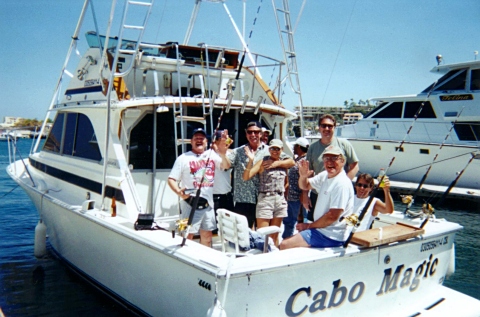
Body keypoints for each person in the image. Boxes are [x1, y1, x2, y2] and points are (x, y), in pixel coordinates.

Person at [280, 145, 354, 250]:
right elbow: (304, 185)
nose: (330, 162)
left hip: (330, 235)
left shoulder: (341, 183)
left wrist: (308, 226)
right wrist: (303, 176)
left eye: (334, 158)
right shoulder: (325, 175)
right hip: (320, 230)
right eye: (326, 158)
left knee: (284, 245)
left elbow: (332, 216)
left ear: (343, 161)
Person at [168, 128, 230, 247]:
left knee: (207, 237)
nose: (199, 141)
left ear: (206, 142)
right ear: (191, 141)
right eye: (196, 138)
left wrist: (222, 153)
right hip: (189, 203)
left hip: (208, 204)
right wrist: (179, 192)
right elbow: (171, 179)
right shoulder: (183, 158)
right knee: (186, 237)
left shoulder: (212, 156)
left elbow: (226, 165)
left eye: (202, 138)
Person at [229, 121, 294, 228]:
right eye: (250, 132)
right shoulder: (238, 151)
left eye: (256, 132)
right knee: (243, 233)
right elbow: (226, 165)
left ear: (261, 134)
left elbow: (291, 162)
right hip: (244, 199)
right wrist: (222, 150)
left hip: (264, 199)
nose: (253, 135)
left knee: (265, 234)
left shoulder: (271, 150)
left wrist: (276, 163)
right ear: (246, 134)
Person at [303, 114, 359, 220]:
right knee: (314, 223)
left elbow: (355, 166)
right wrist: (305, 195)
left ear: (334, 127)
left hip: (337, 194)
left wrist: (343, 183)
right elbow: (308, 173)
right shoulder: (313, 148)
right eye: (324, 126)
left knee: (334, 222)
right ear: (319, 127)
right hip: (317, 194)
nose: (327, 129)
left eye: (330, 126)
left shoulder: (344, 144)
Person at [243, 139, 288, 246]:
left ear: (282, 150)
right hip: (265, 199)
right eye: (272, 148)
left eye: (278, 149)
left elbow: (286, 183)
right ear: (269, 149)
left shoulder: (284, 163)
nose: (275, 151)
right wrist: (250, 161)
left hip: (280, 200)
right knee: (262, 237)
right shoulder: (262, 162)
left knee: (274, 236)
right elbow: (246, 177)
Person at [282, 137, 309, 239]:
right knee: (290, 221)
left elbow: (306, 178)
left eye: (294, 146)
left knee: (291, 221)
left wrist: (304, 194)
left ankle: (287, 240)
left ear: (298, 147)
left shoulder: (303, 161)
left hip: (296, 197)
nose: (293, 148)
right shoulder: (299, 160)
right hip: (292, 197)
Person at [212, 130, 234, 212]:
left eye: (228, 137)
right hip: (214, 198)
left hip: (228, 196)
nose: (227, 139)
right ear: (216, 140)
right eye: (224, 137)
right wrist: (220, 152)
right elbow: (225, 166)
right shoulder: (211, 155)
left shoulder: (231, 153)